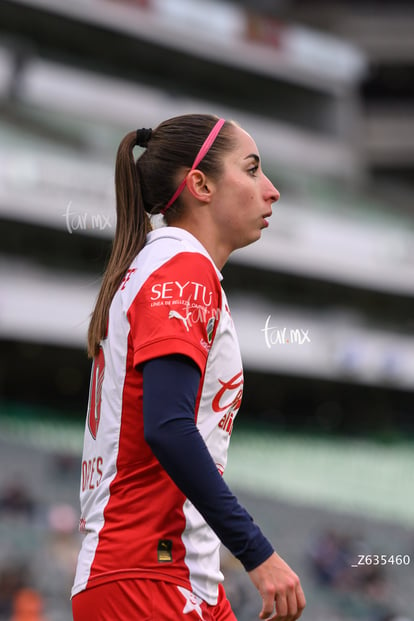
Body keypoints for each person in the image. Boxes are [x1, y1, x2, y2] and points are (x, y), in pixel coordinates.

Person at [71, 114, 306, 621]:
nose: (272, 191)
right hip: (147, 576)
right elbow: (168, 427)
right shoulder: (183, 271)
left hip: (169, 574)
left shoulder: (156, 266)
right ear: (199, 184)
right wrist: (257, 552)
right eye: (252, 170)